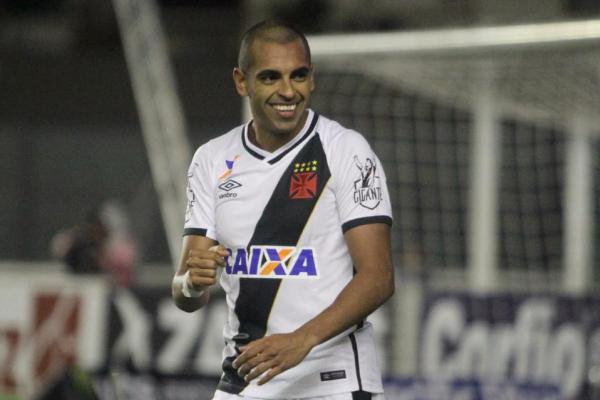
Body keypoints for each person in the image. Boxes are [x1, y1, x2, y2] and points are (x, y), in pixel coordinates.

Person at [172, 20, 394, 400]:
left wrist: (301, 340)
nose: (288, 91)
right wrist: (192, 282)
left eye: (299, 75)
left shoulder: (346, 150)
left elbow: (379, 278)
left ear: (312, 78)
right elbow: (184, 291)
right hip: (244, 380)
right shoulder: (211, 159)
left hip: (333, 382)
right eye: (270, 77)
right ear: (242, 81)